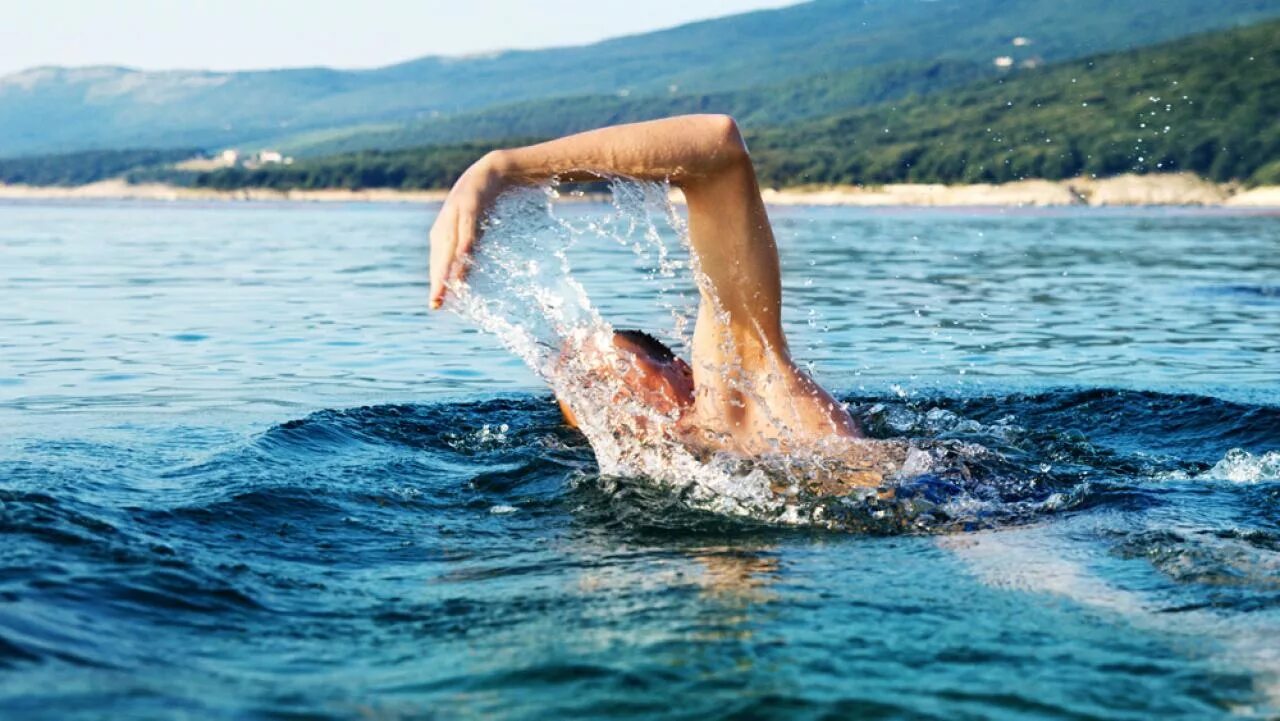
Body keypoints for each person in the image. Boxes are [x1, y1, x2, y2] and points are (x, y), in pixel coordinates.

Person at [429, 115, 899, 485]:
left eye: (613, 376)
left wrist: (501, 169)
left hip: (948, 510)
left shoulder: (743, 397)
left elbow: (718, 147)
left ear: (682, 373)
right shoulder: (671, 473)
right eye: (587, 397)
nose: (608, 399)